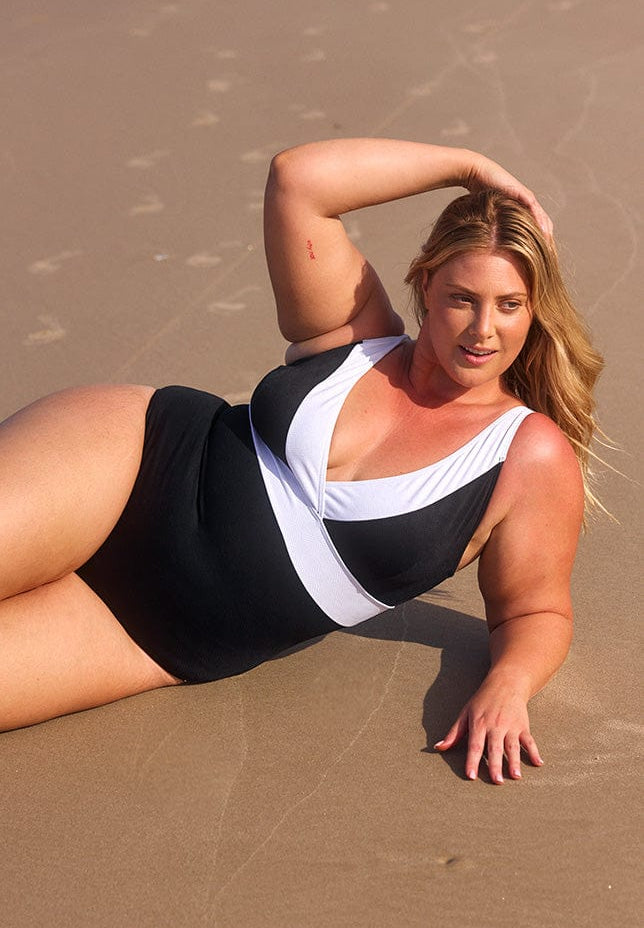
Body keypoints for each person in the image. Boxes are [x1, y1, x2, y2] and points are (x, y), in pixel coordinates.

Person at [0, 139, 604, 784]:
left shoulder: (526, 454)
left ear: (534, 310)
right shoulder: (357, 332)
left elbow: (534, 611)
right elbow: (299, 181)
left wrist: (508, 686)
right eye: (463, 297)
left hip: (151, 635)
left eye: (510, 304)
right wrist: (469, 168)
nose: (483, 329)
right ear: (427, 283)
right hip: (131, 463)